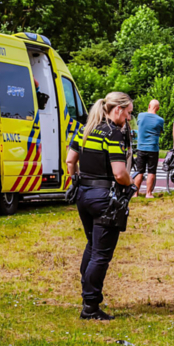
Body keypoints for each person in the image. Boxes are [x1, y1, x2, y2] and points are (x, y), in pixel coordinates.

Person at [65, 91, 135, 320]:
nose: (128, 119)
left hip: (83, 195)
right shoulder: (112, 134)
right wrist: (131, 183)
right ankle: (91, 305)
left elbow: (70, 160)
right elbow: (119, 172)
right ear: (118, 109)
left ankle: (87, 291)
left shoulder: (85, 130)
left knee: (92, 245)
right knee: (101, 254)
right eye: (128, 113)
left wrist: (75, 179)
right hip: (104, 197)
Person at [133, 99, 164, 198]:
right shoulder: (160, 120)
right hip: (153, 148)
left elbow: (139, 125)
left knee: (139, 171)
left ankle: (135, 193)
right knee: (151, 171)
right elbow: (160, 132)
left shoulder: (141, 116)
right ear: (158, 109)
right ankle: (148, 193)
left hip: (141, 147)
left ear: (149, 106)